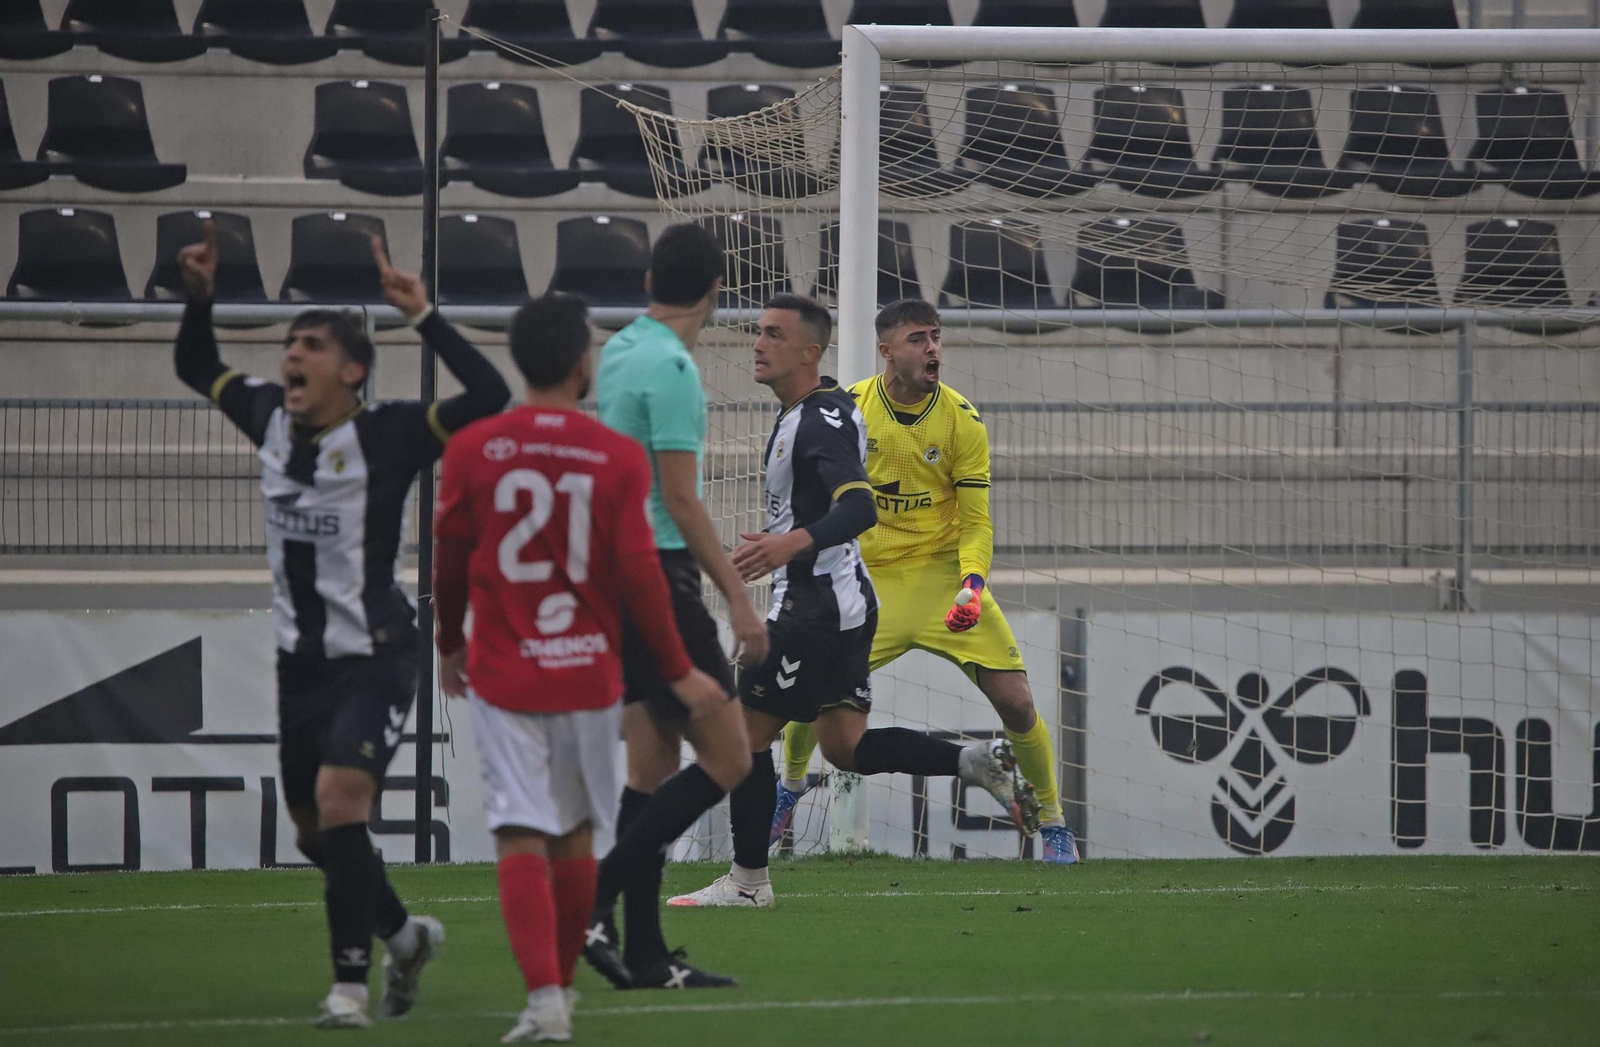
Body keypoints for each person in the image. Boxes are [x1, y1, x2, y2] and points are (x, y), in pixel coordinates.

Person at [171, 222, 511, 1027]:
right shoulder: (269, 418)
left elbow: (490, 397)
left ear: (351, 370)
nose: (292, 354)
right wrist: (200, 299)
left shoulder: (388, 433)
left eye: (311, 344)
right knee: (314, 831)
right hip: (301, 665)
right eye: (290, 342)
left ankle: (348, 991)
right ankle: (404, 934)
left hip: (378, 654)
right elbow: (194, 362)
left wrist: (424, 314)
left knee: (339, 801)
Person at [667, 294, 1033, 908]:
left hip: (812, 609)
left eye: (774, 335)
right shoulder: (824, 410)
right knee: (845, 747)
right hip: (848, 603)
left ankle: (747, 882)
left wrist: (789, 545)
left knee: (741, 735)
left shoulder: (816, 419)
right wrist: (789, 539)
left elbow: (860, 507)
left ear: (810, 352)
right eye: (758, 332)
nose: (757, 344)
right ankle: (972, 761)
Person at [433, 292, 730, 1043]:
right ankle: (563, 980)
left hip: (506, 672)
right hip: (588, 676)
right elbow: (639, 575)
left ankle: (547, 1000)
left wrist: (447, 640)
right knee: (572, 836)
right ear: (580, 363)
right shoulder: (615, 455)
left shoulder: (472, 447)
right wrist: (678, 668)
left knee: (519, 835)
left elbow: (449, 559)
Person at [777, 298, 1080, 864]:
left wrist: (972, 583)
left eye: (936, 337)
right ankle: (788, 789)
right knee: (812, 690)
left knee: (1016, 703)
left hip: (944, 578)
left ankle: (1056, 824)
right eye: (918, 339)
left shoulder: (961, 419)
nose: (933, 348)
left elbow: (976, 520)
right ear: (887, 351)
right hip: (869, 579)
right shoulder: (852, 412)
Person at [580, 223, 763, 989]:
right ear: (716, 291)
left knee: (650, 771)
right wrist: (740, 599)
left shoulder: (621, 349)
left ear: (652, 278)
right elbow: (683, 502)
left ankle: (648, 955)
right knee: (730, 756)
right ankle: (591, 899)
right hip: (659, 575)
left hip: (611, 573)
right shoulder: (676, 370)